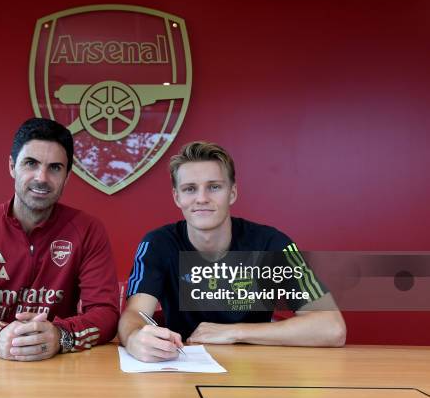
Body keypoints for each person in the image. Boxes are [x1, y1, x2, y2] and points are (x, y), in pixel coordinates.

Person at [118, 141, 347, 362]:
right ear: (177, 197)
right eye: (190, 189)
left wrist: (234, 332)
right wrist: (135, 338)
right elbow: (134, 315)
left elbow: (331, 327)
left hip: (257, 371)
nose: (202, 198)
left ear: (233, 193)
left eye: (214, 187)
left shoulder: (271, 244)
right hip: (182, 366)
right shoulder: (158, 244)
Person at [0, 118, 119, 361]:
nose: (42, 177)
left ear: (67, 176)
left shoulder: (88, 230)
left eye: (55, 168)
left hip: (56, 366)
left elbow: (106, 314)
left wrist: (61, 336)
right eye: (31, 163)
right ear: (11, 166)